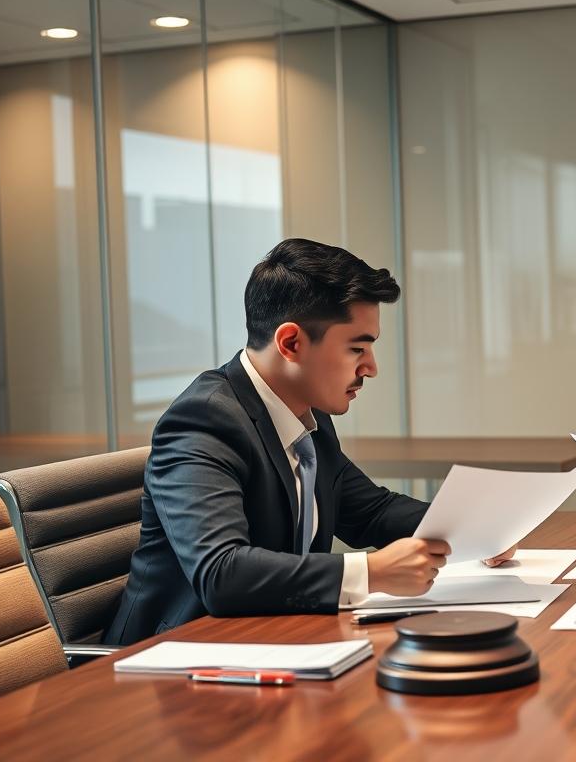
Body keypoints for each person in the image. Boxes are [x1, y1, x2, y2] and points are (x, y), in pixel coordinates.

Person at [105, 238, 513, 646]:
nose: (371, 368)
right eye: (357, 348)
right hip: (173, 663)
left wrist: (476, 532)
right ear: (291, 344)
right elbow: (221, 572)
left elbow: (370, 511)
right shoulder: (204, 420)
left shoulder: (306, 413)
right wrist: (372, 572)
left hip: (277, 639)